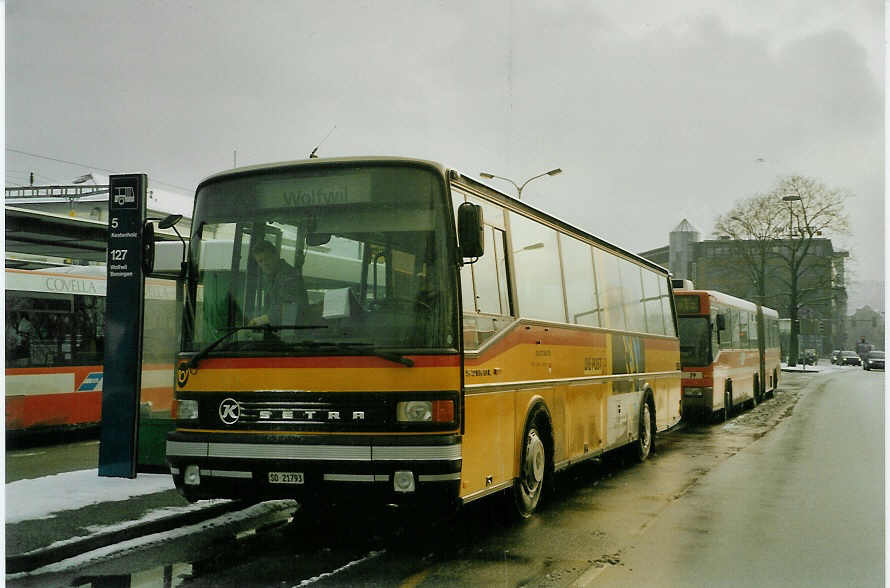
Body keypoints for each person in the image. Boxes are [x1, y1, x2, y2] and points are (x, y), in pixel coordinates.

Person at [249, 241, 308, 326]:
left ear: (276, 255)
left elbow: (288, 308)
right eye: (260, 261)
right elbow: (271, 308)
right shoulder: (270, 277)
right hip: (280, 331)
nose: (265, 264)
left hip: (294, 333)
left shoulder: (290, 276)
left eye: (267, 258)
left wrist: (259, 320)